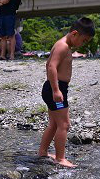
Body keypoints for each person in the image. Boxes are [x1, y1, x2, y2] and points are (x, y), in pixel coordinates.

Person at [37, 17, 95, 168]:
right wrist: (56, 89)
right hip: (56, 89)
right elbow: (52, 67)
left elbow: (48, 63)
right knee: (64, 124)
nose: (83, 44)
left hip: (53, 87)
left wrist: (53, 87)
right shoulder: (63, 46)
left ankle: (43, 152)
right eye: (84, 40)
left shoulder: (63, 45)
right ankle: (60, 158)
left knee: (54, 124)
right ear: (74, 33)